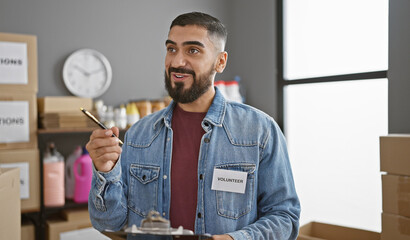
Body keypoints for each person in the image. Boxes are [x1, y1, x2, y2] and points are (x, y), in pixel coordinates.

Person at [86, 12, 300, 240]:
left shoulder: (260, 131)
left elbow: (285, 217)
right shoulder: (139, 133)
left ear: (220, 61)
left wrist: (235, 239)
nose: (177, 61)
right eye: (171, 49)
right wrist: (106, 172)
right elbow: (108, 223)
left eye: (193, 50)